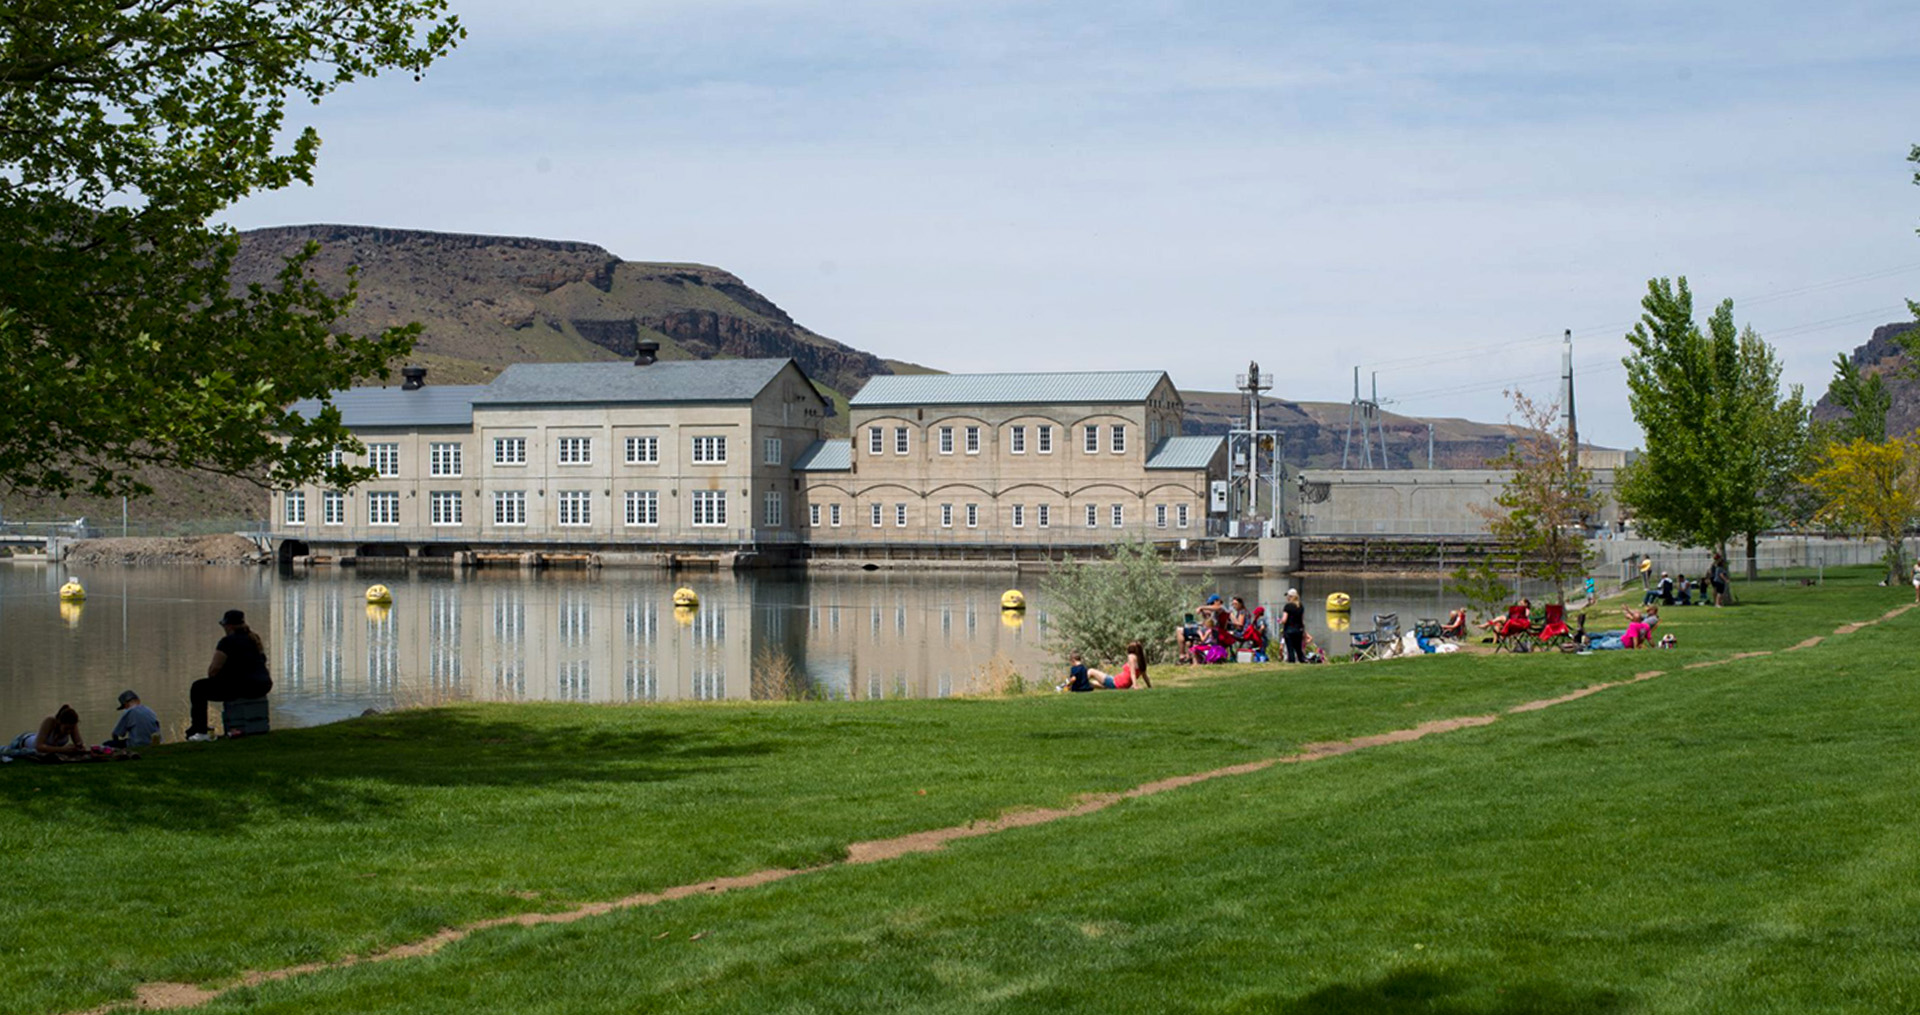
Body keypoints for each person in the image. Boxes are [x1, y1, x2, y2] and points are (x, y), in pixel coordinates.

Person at [186, 609, 273, 740]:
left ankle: (199, 729)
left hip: (242, 686)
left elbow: (213, 670)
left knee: (198, 688)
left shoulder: (227, 642)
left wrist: (217, 678)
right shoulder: (254, 639)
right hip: (263, 685)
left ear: (228, 625)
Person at [11, 705, 87, 758]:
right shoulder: (50, 721)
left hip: (38, 738)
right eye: (66, 728)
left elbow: (79, 743)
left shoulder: (72, 725)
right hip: (22, 741)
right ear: (59, 722)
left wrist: (79, 748)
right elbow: (39, 747)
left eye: (71, 728)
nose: (69, 731)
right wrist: (63, 749)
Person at [1280, 588, 1307, 663]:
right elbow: (1301, 620)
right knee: (1298, 649)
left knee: (1290, 649)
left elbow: (1284, 620)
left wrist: (1280, 621)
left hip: (1289, 630)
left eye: (1287, 596)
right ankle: (1302, 660)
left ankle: (1291, 662)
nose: (1287, 598)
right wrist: (1304, 631)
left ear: (1290, 597)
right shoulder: (1300, 606)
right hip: (1299, 630)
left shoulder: (1288, 606)